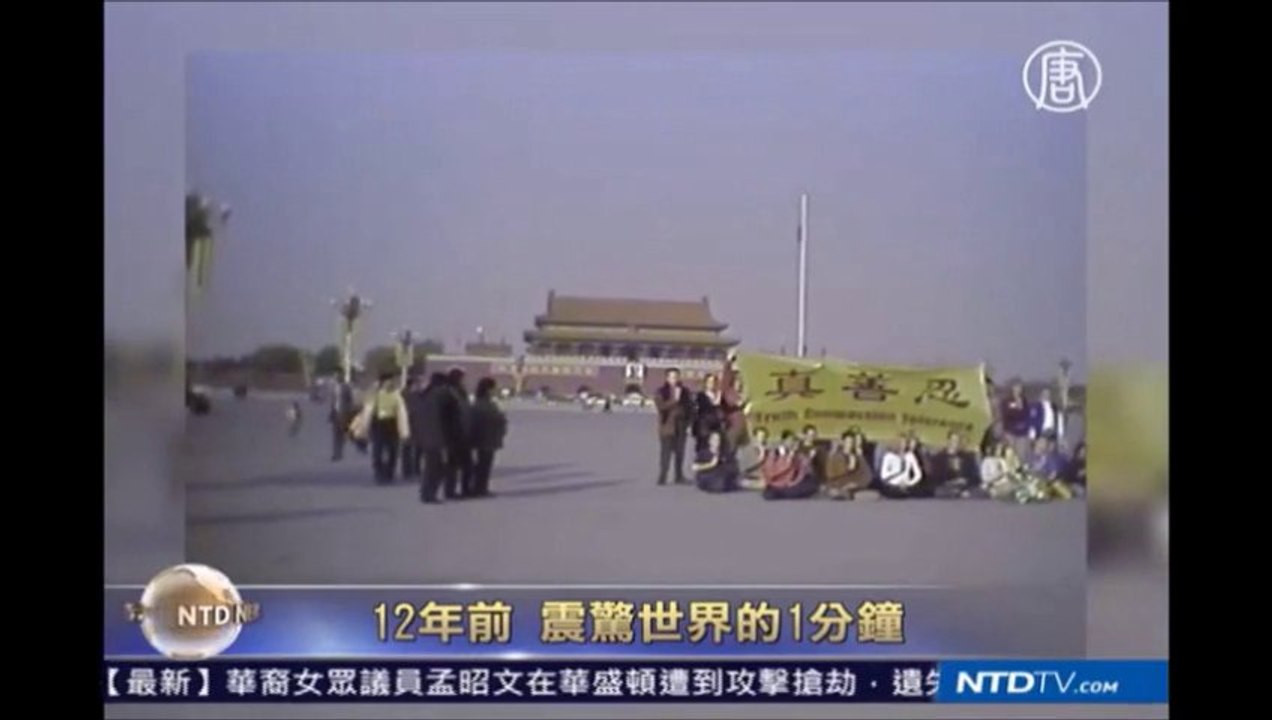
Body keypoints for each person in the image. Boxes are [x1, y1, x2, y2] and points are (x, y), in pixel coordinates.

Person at [353, 373, 410, 484]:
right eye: (388, 381)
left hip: (392, 423)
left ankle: (389, 472)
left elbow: (402, 413)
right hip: (378, 423)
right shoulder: (375, 395)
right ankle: (379, 472)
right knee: (377, 450)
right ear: (382, 382)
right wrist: (362, 429)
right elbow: (366, 412)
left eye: (391, 381)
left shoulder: (396, 395)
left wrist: (404, 431)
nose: (390, 384)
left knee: (393, 450)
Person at [408, 373, 451, 504]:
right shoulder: (440, 396)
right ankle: (428, 494)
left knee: (431, 466)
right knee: (435, 467)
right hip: (437, 437)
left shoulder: (419, 396)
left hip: (424, 435)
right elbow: (448, 419)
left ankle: (427, 492)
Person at [469, 377, 508, 498]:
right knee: (483, 465)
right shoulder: (483, 403)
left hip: (487, 438)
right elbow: (490, 419)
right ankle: (479, 488)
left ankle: (481, 487)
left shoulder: (483, 402)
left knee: (484, 465)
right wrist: (500, 418)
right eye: (493, 388)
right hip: (485, 438)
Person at [654, 368, 695, 485]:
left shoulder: (685, 391)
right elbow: (661, 407)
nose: (674, 380)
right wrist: (674, 400)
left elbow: (690, 408)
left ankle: (679, 475)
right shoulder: (661, 391)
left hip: (681, 426)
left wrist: (689, 422)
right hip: (667, 426)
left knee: (680, 452)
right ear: (667, 378)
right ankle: (662, 476)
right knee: (665, 453)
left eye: (676, 377)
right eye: (672, 377)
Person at [761, 431, 819, 500]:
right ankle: (781, 493)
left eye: (793, 441)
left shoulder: (796, 453)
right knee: (771, 493)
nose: (790, 443)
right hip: (776, 484)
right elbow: (773, 473)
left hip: (791, 485)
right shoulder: (774, 453)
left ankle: (783, 494)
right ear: (783, 441)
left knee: (812, 484)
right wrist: (785, 456)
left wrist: (809, 458)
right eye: (788, 440)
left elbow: (801, 473)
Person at [444, 368, 475, 498]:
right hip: (454, 434)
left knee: (467, 465)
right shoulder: (449, 393)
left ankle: (466, 489)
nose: (465, 381)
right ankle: (450, 491)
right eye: (462, 378)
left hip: (464, 433)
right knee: (453, 465)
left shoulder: (461, 392)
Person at [930, 431, 983, 499]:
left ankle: (962, 494)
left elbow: (975, 477)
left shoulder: (967, 457)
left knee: (980, 492)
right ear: (948, 441)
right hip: (946, 486)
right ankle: (958, 494)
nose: (956, 443)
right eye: (954, 440)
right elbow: (935, 478)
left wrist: (966, 480)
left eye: (958, 441)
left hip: (965, 486)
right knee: (940, 491)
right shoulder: (939, 458)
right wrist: (951, 480)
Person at [822, 431, 873, 500]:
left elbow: (867, 475)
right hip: (838, 486)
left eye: (851, 442)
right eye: (847, 442)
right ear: (842, 442)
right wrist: (848, 469)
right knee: (836, 493)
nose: (849, 444)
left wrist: (857, 484)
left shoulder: (857, 457)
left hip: (855, 487)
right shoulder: (835, 456)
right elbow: (830, 475)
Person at [694, 373, 736, 452]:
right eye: (709, 382)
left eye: (713, 382)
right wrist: (715, 403)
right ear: (706, 383)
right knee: (704, 448)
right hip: (704, 427)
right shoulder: (701, 396)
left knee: (717, 448)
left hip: (716, 426)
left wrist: (739, 406)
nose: (711, 384)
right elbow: (703, 409)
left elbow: (727, 408)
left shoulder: (719, 396)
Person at [878, 434, 928, 499]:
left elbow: (918, 474)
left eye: (904, 443)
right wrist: (896, 480)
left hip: (906, 486)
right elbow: (883, 475)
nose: (903, 445)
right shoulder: (888, 456)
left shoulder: (910, 456)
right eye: (901, 443)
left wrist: (909, 483)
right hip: (892, 486)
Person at [398, 374, 424, 479]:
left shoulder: (403, 394)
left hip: (409, 424)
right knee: (414, 448)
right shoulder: (414, 396)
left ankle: (409, 470)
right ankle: (413, 469)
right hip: (413, 424)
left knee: (409, 448)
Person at [1000, 381, 1032, 460]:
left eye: (1020, 388)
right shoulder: (1007, 401)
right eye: (1016, 387)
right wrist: (1016, 408)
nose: (1018, 390)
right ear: (1012, 388)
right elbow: (1006, 414)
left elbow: (1027, 414)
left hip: (1022, 432)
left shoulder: (1025, 401)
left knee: (1021, 454)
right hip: (1010, 431)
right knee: (1011, 453)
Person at [327, 378, 357, 461]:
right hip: (335, 413)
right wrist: (331, 413)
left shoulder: (346, 387)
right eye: (335, 375)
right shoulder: (333, 388)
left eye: (338, 375)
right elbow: (332, 402)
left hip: (344, 413)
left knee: (342, 434)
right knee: (335, 434)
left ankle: (340, 452)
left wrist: (350, 413)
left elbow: (350, 400)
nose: (336, 377)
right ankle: (335, 453)